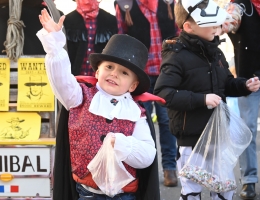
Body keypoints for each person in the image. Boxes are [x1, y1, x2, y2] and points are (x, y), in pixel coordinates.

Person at [37, 8, 162, 200]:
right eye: (109, 67)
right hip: (88, 194)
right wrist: (54, 46)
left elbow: (146, 156)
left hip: (124, 195)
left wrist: (120, 143)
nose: (114, 74)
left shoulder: (136, 113)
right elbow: (61, 80)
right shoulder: (79, 97)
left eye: (124, 73)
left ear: (133, 85)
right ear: (96, 72)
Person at [153, 0, 260, 199]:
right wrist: (202, 99)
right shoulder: (176, 56)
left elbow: (226, 83)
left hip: (218, 137)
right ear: (188, 27)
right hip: (190, 142)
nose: (217, 28)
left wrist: (244, 85)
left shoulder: (215, 52)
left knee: (224, 189)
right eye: (211, 24)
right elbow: (163, 93)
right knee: (192, 191)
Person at [114, 0, 178, 187]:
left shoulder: (169, 2)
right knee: (139, 123)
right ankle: (143, 172)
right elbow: (121, 38)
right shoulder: (125, 4)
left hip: (167, 73)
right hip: (139, 76)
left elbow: (179, 33)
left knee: (166, 121)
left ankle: (169, 168)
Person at [220, 0, 260, 199]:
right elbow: (232, 19)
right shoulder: (241, 5)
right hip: (250, 78)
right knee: (248, 128)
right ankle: (249, 181)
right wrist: (226, 23)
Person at [63, 0, 118, 76]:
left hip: (101, 78)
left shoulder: (111, 21)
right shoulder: (66, 21)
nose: (87, 1)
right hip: (73, 78)